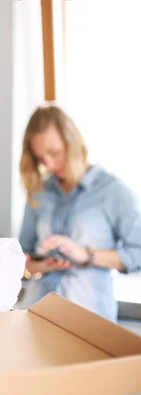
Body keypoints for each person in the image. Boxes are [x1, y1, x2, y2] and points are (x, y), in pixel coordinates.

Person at [18, 104, 141, 322]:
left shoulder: (112, 191)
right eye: (40, 158)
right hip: (37, 315)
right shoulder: (39, 193)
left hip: (90, 320)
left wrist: (86, 255)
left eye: (54, 153)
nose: (48, 164)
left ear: (73, 142)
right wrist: (40, 265)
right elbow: (22, 259)